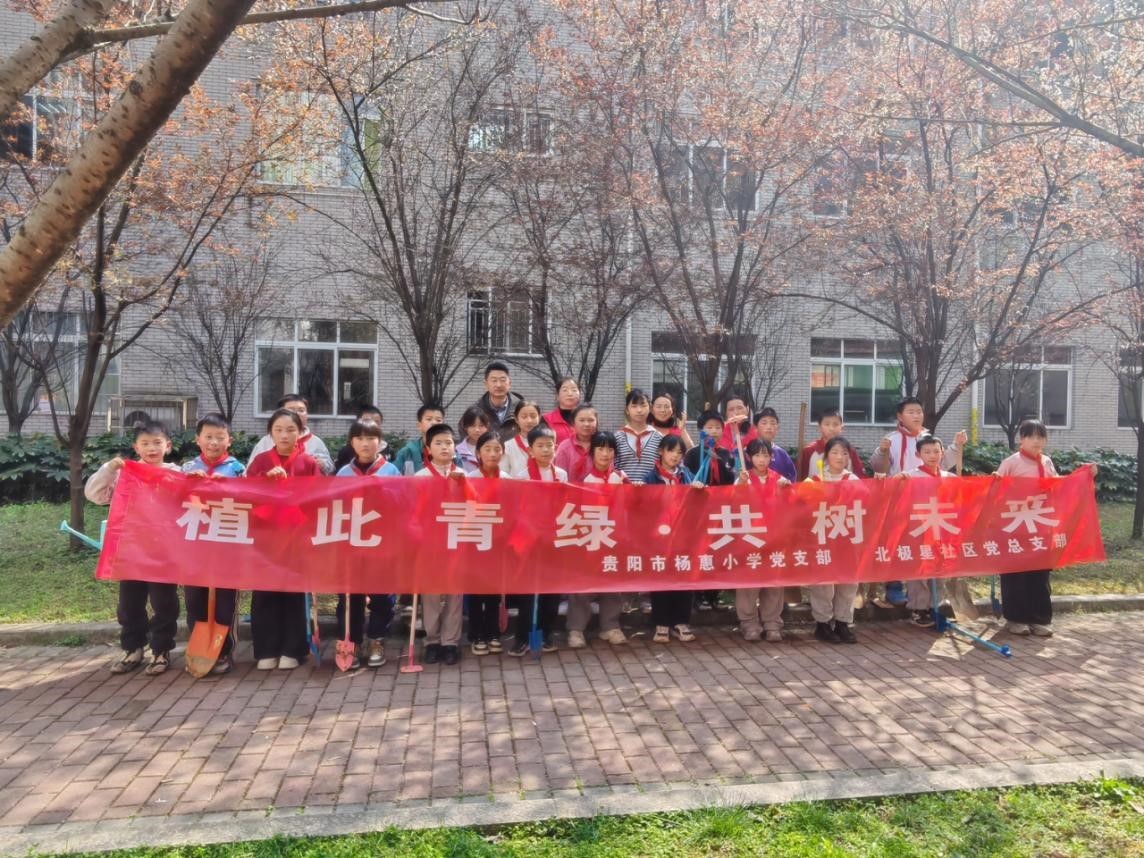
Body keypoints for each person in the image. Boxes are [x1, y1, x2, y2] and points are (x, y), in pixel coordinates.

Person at [85, 420, 183, 676]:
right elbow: (94, 495)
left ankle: (161, 651)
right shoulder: (125, 474)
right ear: (136, 447)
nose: (152, 448)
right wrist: (109, 468)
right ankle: (133, 649)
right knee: (129, 605)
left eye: (157, 443)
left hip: (163, 551)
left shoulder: (177, 473)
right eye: (145, 443)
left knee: (164, 603)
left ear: (168, 446)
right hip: (131, 551)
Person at [869, 397, 967, 609]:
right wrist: (882, 451)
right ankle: (894, 587)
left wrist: (955, 446)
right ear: (900, 416)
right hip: (899, 501)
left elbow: (943, 463)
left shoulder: (928, 438)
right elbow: (878, 467)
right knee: (898, 543)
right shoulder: (892, 439)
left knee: (925, 546)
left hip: (927, 504)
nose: (916, 415)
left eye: (919, 411)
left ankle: (927, 596)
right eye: (911, 412)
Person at [247, 408, 322, 669]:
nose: (284, 435)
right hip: (266, 537)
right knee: (265, 593)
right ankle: (266, 649)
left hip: (296, 538)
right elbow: (248, 492)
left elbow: (317, 497)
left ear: (301, 433)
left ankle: (293, 649)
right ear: (270, 433)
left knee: (293, 594)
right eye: (278, 430)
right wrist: (266, 481)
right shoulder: (261, 461)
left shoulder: (308, 462)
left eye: (291, 430)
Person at [181, 413, 245, 675]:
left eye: (220, 437)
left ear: (229, 440)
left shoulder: (237, 469)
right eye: (208, 437)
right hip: (194, 548)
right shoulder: (187, 469)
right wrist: (188, 485)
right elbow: (173, 500)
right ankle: (199, 650)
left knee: (225, 601)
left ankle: (224, 651)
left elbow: (250, 498)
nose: (214, 442)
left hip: (226, 547)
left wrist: (230, 487)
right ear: (198, 439)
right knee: (194, 600)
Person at [335, 418, 400, 669]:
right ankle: (351, 642)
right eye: (360, 438)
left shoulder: (390, 471)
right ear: (351, 442)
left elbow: (401, 504)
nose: (365, 443)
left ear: (380, 442)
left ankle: (376, 640)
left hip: (381, 544)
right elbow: (335, 507)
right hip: (351, 545)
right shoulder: (343, 473)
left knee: (382, 595)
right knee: (350, 597)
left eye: (371, 438)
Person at [994, 419, 1061, 637]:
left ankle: (1039, 619)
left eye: (1041, 436)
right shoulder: (1011, 463)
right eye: (1031, 436)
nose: (1036, 441)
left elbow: (1057, 486)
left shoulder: (1047, 462)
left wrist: (1084, 477)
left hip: (1040, 525)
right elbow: (996, 490)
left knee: (1039, 575)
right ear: (1021, 439)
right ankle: (1016, 618)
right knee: (1015, 573)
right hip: (1015, 526)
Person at [507, 425, 565, 657]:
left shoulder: (561, 475)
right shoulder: (522, 477)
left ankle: (545, 635)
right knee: (529, 593)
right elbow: (517, 511)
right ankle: (522, 638)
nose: (545, 450)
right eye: (540, 446)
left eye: (549, 445)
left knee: (551, 592)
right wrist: (533, 531)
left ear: (556, 448)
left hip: (554, 541)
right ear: (530, 450)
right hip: (529, 542)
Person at [566, 432, 628, 648]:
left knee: (613, 583)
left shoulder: (621, 477)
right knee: (582, 584)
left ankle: (610, 626)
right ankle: (576, 629)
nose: (605, 454)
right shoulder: (582, 478)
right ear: (592, 452)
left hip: (614, 538)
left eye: (610, 449)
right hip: (588, 537)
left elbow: (634, 504)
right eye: (600, 449)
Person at [415, 423, 466, 665]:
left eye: (449, 443)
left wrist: (463, 487)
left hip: (457, 543)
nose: (445, 447)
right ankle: (432, 640)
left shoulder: (465, 476)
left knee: (455, 594)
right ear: (428, 448)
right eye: (438, 443)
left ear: (455, 447)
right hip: (430, 545)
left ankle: (451, 642)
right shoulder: (420, 477)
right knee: (431, 595)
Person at [897, 434, 958, 629]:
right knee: (919, 570)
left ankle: (935, 605)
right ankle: (918, 607)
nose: (932, 455)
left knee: (940, 568)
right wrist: (897, 481)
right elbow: (893, 493)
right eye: (927, 452)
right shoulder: (910, 476)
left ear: (942, 453)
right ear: (918, 454)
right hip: (919, 530)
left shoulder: (950, 478)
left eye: (936, 451)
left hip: (943, 529)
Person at [643, 435, 700, 643]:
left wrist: (699, 490)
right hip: (659, 536)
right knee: (661, 578)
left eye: (679, 453)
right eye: (671, 451)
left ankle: (681, 621)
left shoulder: (687, 475)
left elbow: (698, 501)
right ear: (661, 451)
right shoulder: (651, 478)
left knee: (684, 577)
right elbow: (643, 506)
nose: (675, 456)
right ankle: (661, 622)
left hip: (684, 535)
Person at [805, 436, 861, 644]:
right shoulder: (814, 481)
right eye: (835, 452)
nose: (840, 457)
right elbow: (800, 506)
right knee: (823, 583)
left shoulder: (853, 480)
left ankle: (843, 622)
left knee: (848, 582)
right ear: (826, 456)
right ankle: (822, 624)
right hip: (822, 540)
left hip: (847, 539)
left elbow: (867, 503)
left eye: (844, 453)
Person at [735, 438, 790, 643]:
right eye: (757, 455)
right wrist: (741, 485)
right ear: (749, 457)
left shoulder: (779, 479)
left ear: (771, 457)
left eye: (765, 455)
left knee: (773, 581)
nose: (761, 459)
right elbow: (732, 502)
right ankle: (748, 623)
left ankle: (772, 622)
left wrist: (787, 489)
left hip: (774, 537)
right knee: (748, 581)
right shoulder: (743, 477)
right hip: (750, 538)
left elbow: (791, 504)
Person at [683, 410, 736, 611]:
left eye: (718, 427)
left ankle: (714, 594)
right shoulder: (692, 454)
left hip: (720, 512)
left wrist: (721, 462)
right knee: (698, 551)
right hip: (698, 512)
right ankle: (698, 595)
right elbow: (687, 479)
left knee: (717, 551)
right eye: (709, 427)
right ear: (701, 430)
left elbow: (730, 480)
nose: (714, 431)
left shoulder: (726, 454)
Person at [466, 432, 506, 655]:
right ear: (478, 453)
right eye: (487, 449)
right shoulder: (470, 478)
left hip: (499, 543)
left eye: (497, 449)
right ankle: (476, 634)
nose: (492, 454)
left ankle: (493, 633)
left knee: (493, 591)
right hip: (475, 542)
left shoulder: (508, 479)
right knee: (474, 591)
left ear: (503, 452)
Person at [246, 394, 334, 474]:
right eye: (291, 410)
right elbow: (249, 476)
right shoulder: (265, 444)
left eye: (301, 410)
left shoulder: (315, 443)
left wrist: (323, 465)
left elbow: (328, 471)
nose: (296, 413)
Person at [796, 408, 867, 481]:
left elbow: (862, 479)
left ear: (841, 428)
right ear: (819, 427)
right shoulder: (809, 451)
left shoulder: (850, 450)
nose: (831, 428)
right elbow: (800, 480)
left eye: (835, 424)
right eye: (827, 424)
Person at [614, 388, 662, 482]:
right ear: (627, 410)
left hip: (651, 490)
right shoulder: (617, 437)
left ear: (650, 408)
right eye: (634, 406)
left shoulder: (659, 438)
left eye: (643, 405)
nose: (639, 410)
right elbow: (612, 468)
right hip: (623, 490)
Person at [473, 360, 522, 439]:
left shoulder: (521, 408)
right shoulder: (476, 410)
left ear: (509, 383)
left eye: (502, 380)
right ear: (486, 384)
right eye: (494, 380)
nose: (498, 385)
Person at [393, 403, 446, 475]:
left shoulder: (450, 452)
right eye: (429, 419)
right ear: (419, 425)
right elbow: (393, 478)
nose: (434, 423)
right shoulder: (406, 452)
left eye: (438, 420)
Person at [333, 405, 388, 471]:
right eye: (366, 421)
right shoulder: (346, 452)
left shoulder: (387, 449)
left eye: (376, 422)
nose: (371, 426)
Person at [555, 403, 598, 484]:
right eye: (581, 420)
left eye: (590, 420)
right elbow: (560, 476)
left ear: (597, 422)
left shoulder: (602, 445)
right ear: (573, 423)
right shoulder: (565, 447)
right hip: (570, 491)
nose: (586, 424)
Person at [753, 407, 796, 482]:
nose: (769, 427)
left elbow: (792, 478)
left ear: (777, 428)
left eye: (773, 423)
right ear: (756, 427)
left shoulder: (782, 454)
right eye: (764, 423)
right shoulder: (748, 452)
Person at [501, 400, 542, 477]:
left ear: (539, 418)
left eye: (533, 416)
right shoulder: (508, 445)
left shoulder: (546, 444)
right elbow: (503, 474)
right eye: (524, 417)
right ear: (516, 419)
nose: (529, 421)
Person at [543, 376, 581, 446]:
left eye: (574, 390)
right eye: (565, 390)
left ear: (580, 395)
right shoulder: (546, 419)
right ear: (557, 396)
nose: (570, 394)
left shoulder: (587, 419)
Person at [718, 393, 757, 458]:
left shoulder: (755, 432)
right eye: (731, 409)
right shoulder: (719, 431)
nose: (736, 413)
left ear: (747, 409)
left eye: (740, 408)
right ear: (726, 413)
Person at [456, 405, 491, 473]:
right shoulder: (457, 451)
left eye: (481, 425)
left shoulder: (495, 448)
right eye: (472, 425)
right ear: (465, 427)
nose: (477, 430)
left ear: (487, 426)